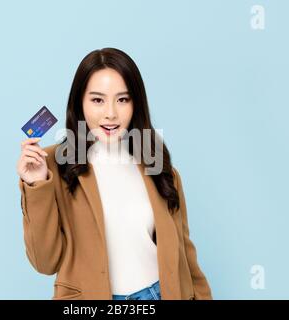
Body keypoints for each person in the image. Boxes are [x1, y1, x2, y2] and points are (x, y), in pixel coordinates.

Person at [16, 48, 212, 300]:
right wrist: (36, 184)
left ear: (136, 103)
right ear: (80, 103)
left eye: (122, 99)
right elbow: (45, 262)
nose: (110, 113)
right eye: (97, 100)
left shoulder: (155, 162)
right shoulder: (53, 164)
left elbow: (185, 253)